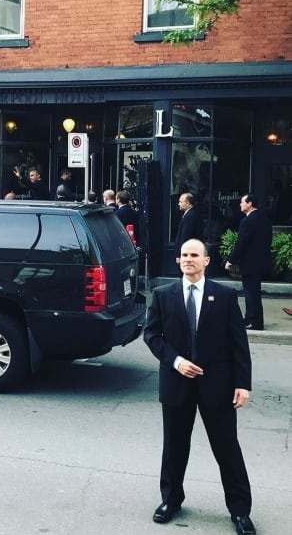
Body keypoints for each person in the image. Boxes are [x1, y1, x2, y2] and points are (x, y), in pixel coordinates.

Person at [144, 239, 255, 535]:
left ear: (206, 261)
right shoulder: (163, 295)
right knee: (174, 448)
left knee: (227, 449)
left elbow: (238, 344)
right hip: (176, 383)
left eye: (194, 255)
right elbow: (152, 335)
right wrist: (175, 360)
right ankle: (171, 500)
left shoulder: (225, 295)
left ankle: (240, 511)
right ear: (178, 261)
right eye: (184, 255)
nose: (188, 259)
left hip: (217, 386)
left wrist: (243, 384)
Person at [225, 194, 273, 331]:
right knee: (254, 293)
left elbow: (242, 243)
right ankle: (254, 320)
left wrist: (231, 260)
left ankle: (253, 321)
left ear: (250, 203)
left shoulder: (247, 221)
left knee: (250, 293)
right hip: (261, 262)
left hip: (250, 262)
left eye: (242, 202)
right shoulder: (265, 219)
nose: (240, 205)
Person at [175, 193, 204, 258]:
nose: (179, 204)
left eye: (180, 202)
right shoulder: (191, 214)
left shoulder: (190, 216)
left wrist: (180, 255)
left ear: (188, 203)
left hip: (188, 254)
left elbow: (185, 237)